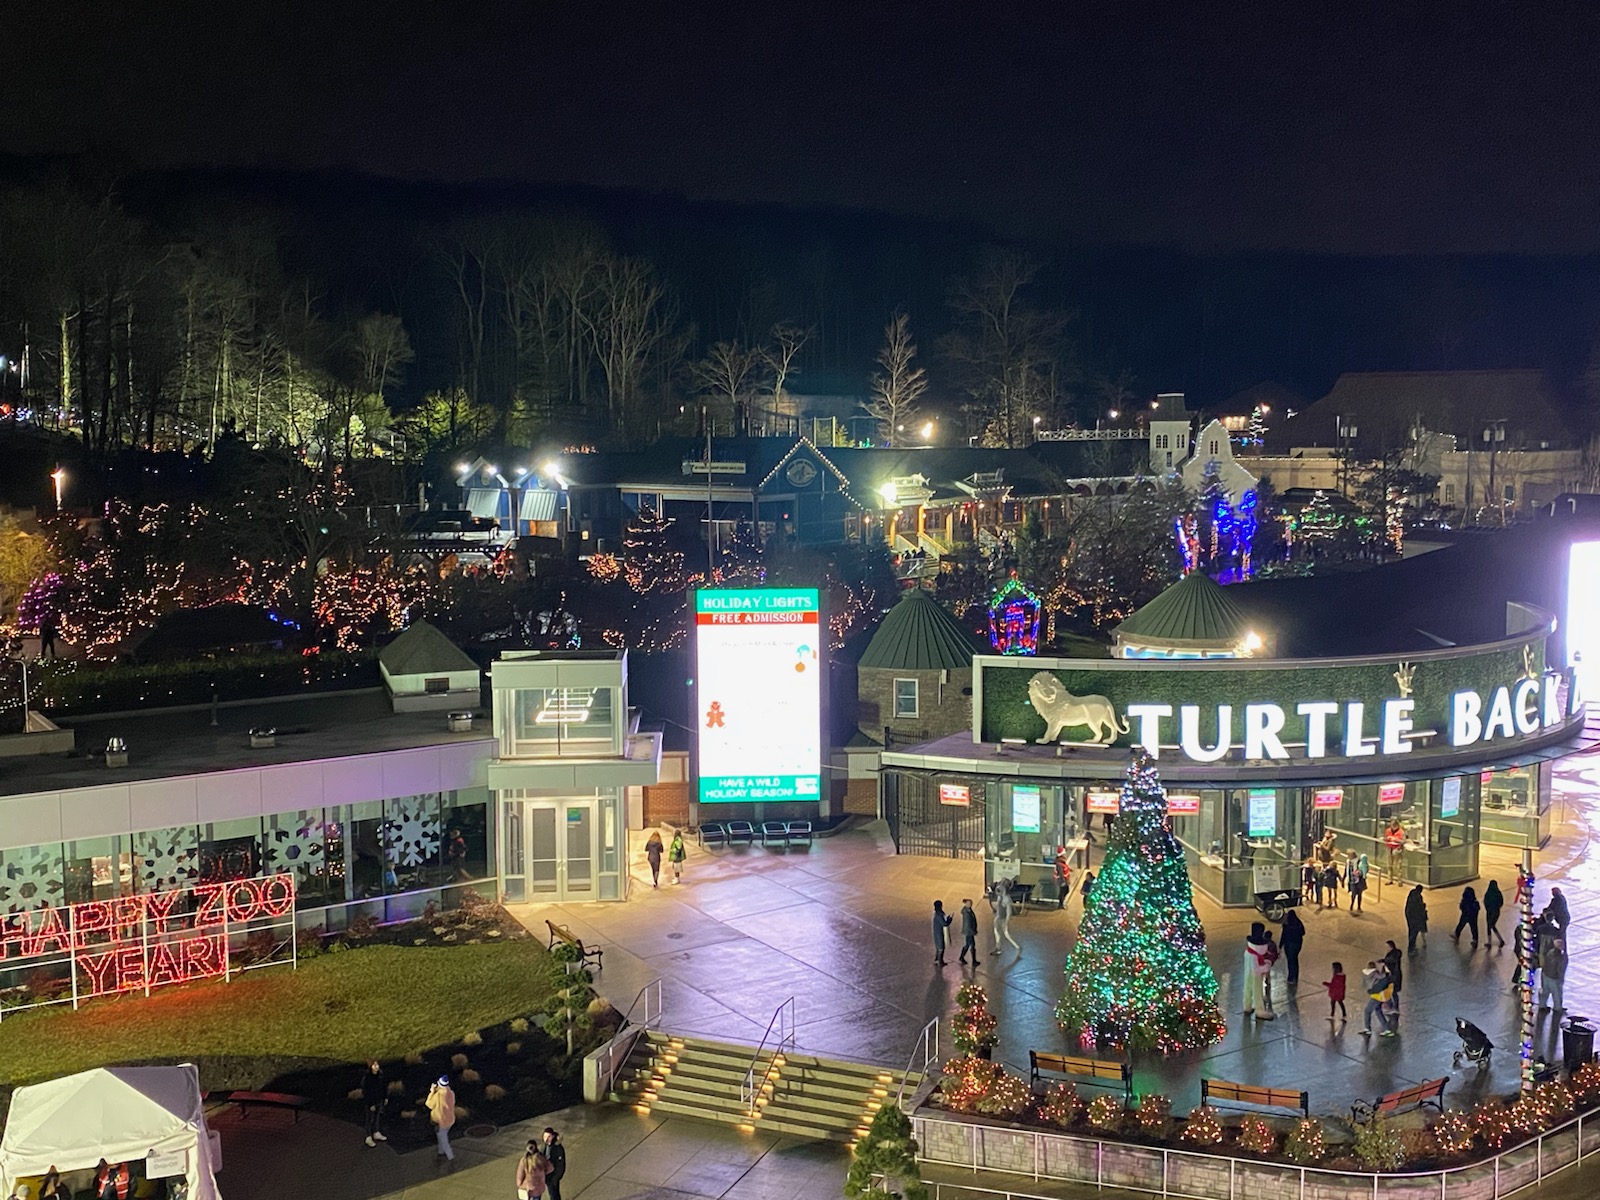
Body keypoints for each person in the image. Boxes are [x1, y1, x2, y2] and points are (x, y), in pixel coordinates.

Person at [1242, 923, 1275, 1019]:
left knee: (1247, 989)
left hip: (1248, 974)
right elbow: (1256, 969)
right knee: (1258, 992)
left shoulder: (1248, 951)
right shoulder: (1255, 956)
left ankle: (1247, 1006)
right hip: (1255, 976)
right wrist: (1267, 965)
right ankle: (1259, 1011)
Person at [1359, 961, 1395, 1037]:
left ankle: (1367, 1029)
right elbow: (1383, 977)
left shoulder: (1364, 974)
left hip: (1375, 995)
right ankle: (1387, 1029)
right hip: (1379, 994)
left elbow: (1363, 984)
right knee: (1378, 1011)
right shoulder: (1375, 973)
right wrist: (1386, 971)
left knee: (1367, 1011)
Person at [427, 1075, 456, 1161]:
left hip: (441, 1121)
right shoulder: (451, 1093)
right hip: (450, 1119)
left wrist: (432, 1092)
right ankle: (441, 1151)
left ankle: (451, 1157)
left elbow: (429, 1104)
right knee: (440, 1135)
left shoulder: (438, 1095)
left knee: (443, 1139)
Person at [361, 1058, 389, 1147]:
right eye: (374, 1065)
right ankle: (368, 1137)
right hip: (371, 1102)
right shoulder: (368, 1078)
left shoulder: (380, 1075)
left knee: (377, 1117)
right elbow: (367, 1092)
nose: (377, 1067)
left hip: (379, 1100)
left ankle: (376, 1132)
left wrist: (385, 1097)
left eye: (377, 1065)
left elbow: (384, 1087)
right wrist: (371, 1104)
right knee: (369, 1119)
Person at [1540, 936, 1568, 1014]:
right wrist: (1561, 978)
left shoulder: (1550, 953)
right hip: (1554, 978)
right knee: (1557, 994)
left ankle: (1542, 1006)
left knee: (1545, 992)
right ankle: (1557, 1008)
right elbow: (1560, 969)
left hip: (1545, 974)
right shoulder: (1560, 957)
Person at [990, 882, 1021, 955]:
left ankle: (1017, 947)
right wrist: (996, 917)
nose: (997, 894)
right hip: (998, 917)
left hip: (1003, 919)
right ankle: (998, 948)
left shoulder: (1006, 899)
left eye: (999, 892)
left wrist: (1006, 921)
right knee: (996, 932)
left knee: (1006, 934)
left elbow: (1008, 911)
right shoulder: (1000, 897)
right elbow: (998, 908)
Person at [1279, 909, 1306, 986]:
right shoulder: (1298, 923)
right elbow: (1303, 933)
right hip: (1297, 944)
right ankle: (1296, 977)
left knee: (1290, 961)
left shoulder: (1286, 924)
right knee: (1295, 959)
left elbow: (1283, 936)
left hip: (1288, 945)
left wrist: (1280, 946)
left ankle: (1290, 977)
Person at [541, 1128, 567, 1200]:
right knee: (552, 1193)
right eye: (545, 1137)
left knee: (554, 1194)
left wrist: (555, 1179)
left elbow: (561, 1166)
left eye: (548, 1137)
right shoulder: (544, 1146)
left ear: (552, 1136)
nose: (546, 1139)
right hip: (547, 1176)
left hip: (553, 1177)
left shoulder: (558, 1148)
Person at [1404, 885, 1428, 953]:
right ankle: (1411, 948)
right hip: (1415, 918)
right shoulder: (1418, 897)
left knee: (1410, 931)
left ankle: (1412, 946)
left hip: (1409, 915)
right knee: (1414, 933)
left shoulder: (1411, 893)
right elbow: (1419, 908)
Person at [1382, 940, 1404, 1014]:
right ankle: (1392, 1006)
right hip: (1394, 975)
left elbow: (1390, 961)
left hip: (1394, 976)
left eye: (1387, 947)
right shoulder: (1393, 954)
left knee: (1392, 992)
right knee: (1392, 992)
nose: (1386, 948)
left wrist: (1383, 961)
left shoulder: (1392, 955)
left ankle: (1392, 1007)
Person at [1483, 879, 1507, 947]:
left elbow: (1485, 902)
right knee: (1493, 925)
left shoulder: (1488, 893)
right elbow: (1501, 902)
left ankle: (1490, 942)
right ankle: (1500, 939)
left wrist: (1488, 908)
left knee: (1489, 926)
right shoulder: (1498, 893)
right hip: (1496, 912)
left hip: (1489, 912)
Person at [1383, 817, 1406, 883]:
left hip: (1397, 849)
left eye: (1394, 826)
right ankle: (1389, 879)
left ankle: (1399, 880)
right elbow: (1385, 838)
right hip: (1389, 848)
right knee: (1389, 865)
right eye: (1392, 825)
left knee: (1398, 866)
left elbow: (1403, 841)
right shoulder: (1388, 830)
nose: (1393, 827)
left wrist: (1395, 839)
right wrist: (1386, 838)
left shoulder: (1401, 832)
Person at [957, 897, 979, 965]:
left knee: (968, 945)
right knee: (971, 945)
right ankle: (973, 960)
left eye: (971, 903)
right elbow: (968, 924)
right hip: (969, 932)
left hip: (969, 931)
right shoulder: (967, 913)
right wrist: (973, 931)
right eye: (969, 903)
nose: (971, 904)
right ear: (966, 904)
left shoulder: (968, 910)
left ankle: (963, 957)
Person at [931, 900, 952, 967]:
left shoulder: (937, 913)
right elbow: (944, 924)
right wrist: (949, 920)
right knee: (941, 947)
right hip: (939, 933)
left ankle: (937, 959)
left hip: (936, 932)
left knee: (938, 947)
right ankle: (940, 961)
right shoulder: (939, 915)